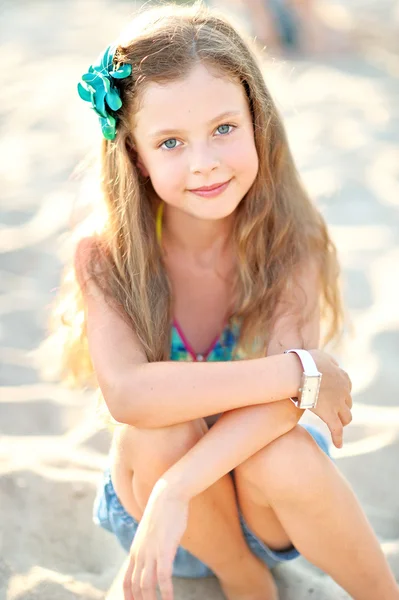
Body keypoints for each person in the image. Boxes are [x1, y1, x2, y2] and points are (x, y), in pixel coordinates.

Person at [47, 2, 398, 599]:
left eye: (224, 129)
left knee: (281, 454)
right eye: (171, 142)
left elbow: (288, 409)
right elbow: (130, 395)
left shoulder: (292, 239)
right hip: (168, 526)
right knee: (154, 432)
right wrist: (298, 371)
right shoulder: (106, 255)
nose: (204, 162)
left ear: (257, 120)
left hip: (264, 505)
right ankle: (244, 582)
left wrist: (179, 485)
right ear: (136, 156)